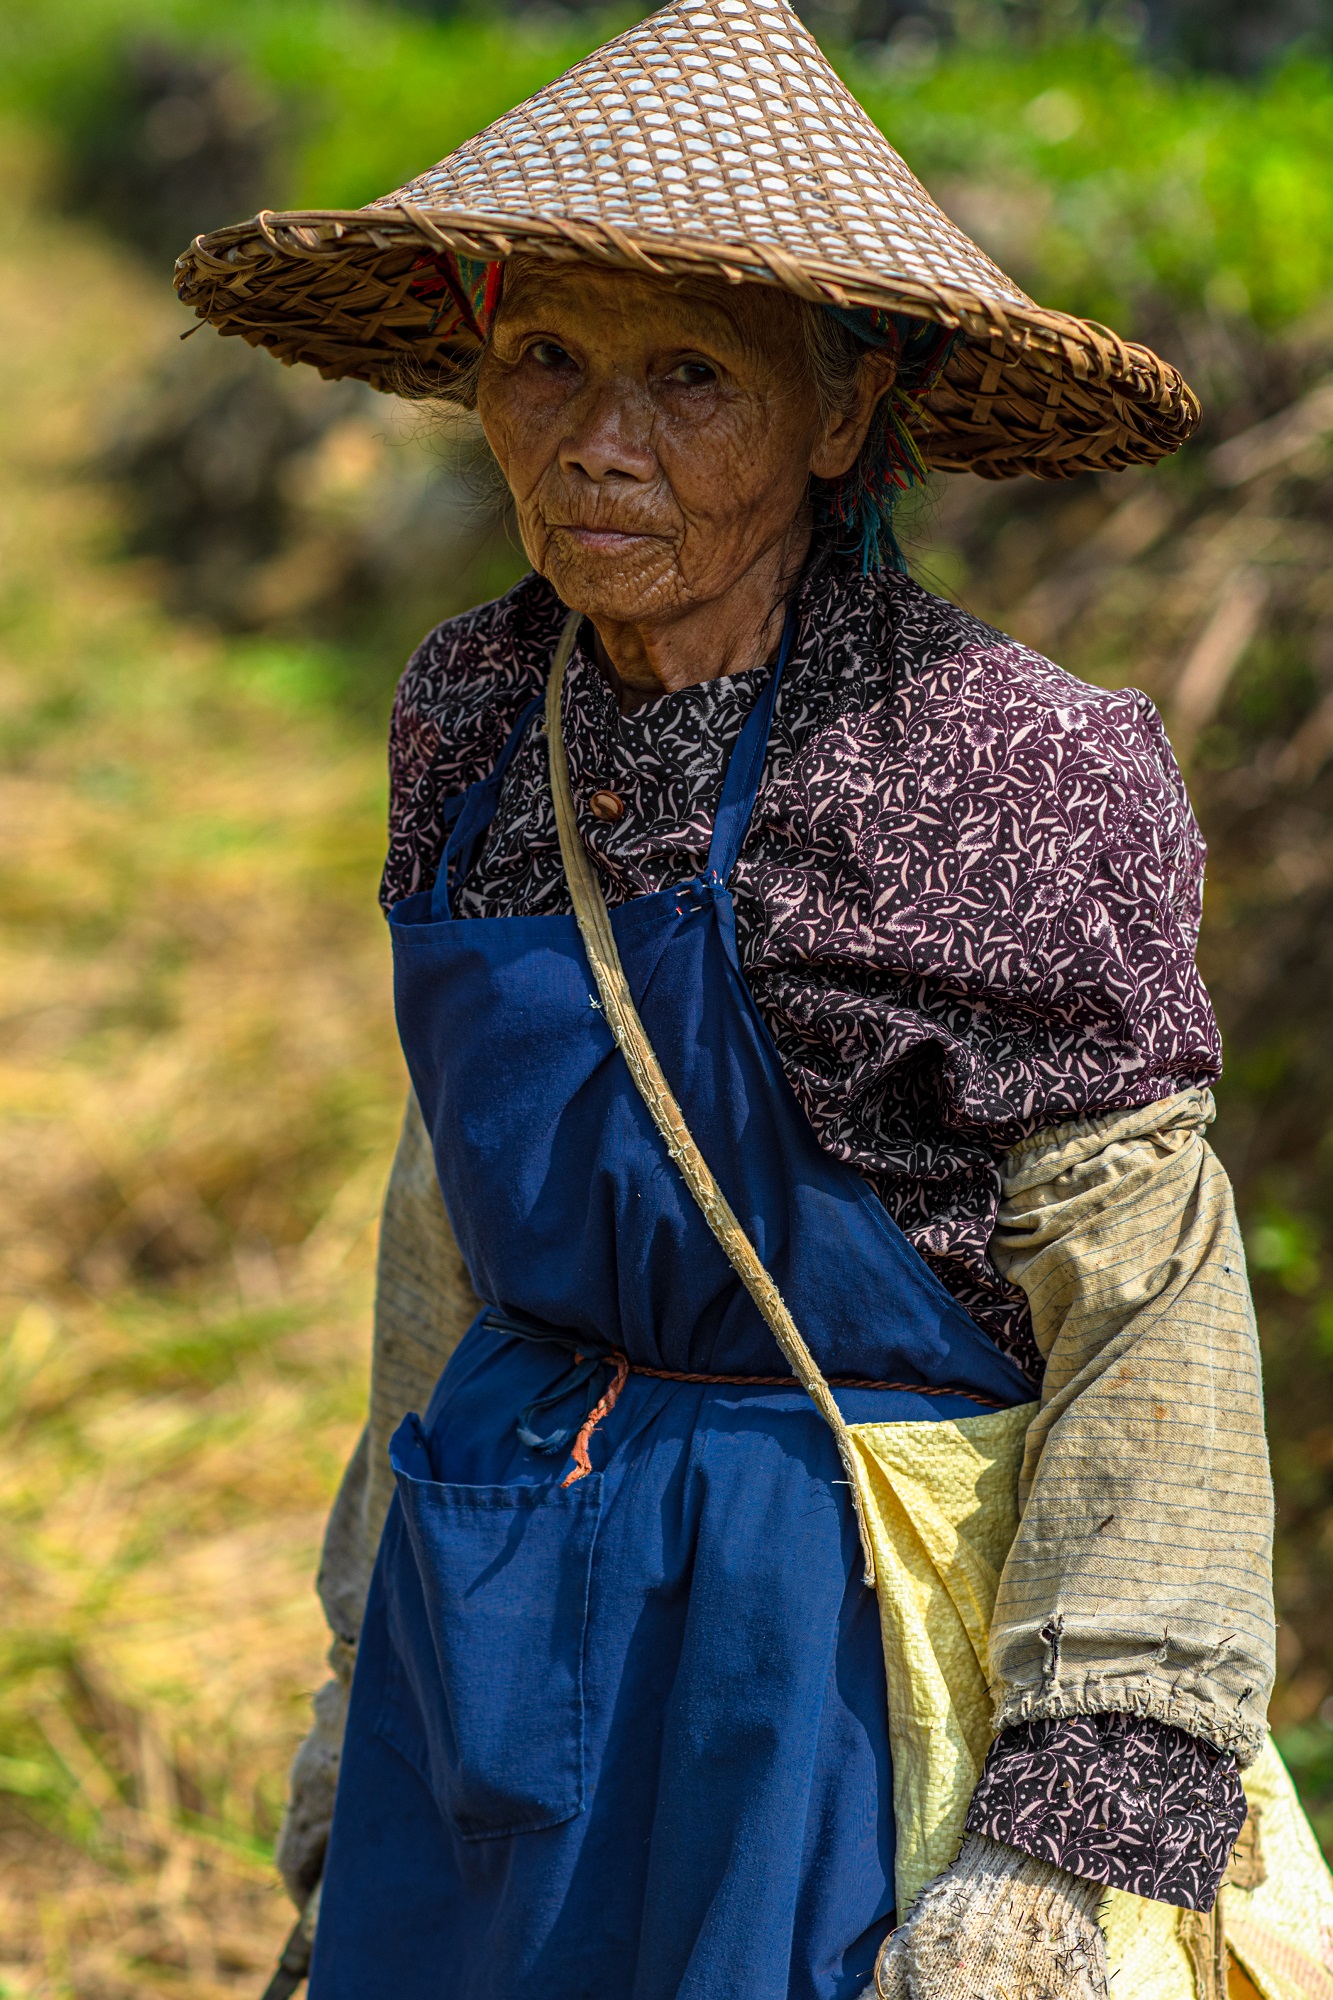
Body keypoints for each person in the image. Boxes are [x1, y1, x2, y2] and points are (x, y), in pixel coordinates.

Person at [176, 3, 1332, 1996]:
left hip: (835, 1647)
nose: (592, 435)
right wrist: (362, 1686)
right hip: (508, 1599)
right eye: (543, 355)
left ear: (832, 416)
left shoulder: (999, 761)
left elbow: (1143, 1300)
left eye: (686, 374)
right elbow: (449, 1214)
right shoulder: (469, 710)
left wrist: (1059, 1847)